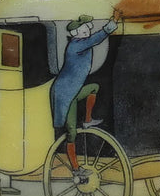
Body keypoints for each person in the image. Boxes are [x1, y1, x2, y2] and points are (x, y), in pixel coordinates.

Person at [50, 13, 118, 178]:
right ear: (76, 33)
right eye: (83, 28)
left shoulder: (81, 43)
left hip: (73, 91)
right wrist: (111, 24)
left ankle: (87, 120)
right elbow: (95, 39)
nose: (87, 29)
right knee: (71, 133)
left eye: (87, 27)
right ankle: (76, 170)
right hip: (65, 94)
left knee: (94, 88)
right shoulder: (76, 45)